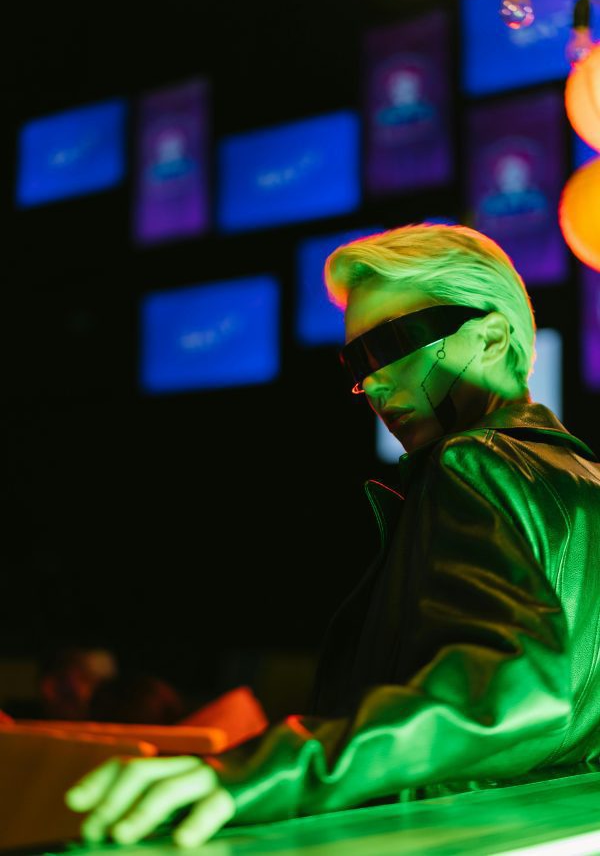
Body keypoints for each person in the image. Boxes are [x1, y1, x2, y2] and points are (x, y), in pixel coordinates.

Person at [64, 223, 600, 849]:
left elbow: (512, 689)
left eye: (392, 344)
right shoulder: (584, 480)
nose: (373, 383)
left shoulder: (472, 463)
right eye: (357, 363)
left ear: (491, 337)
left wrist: (265, 773)